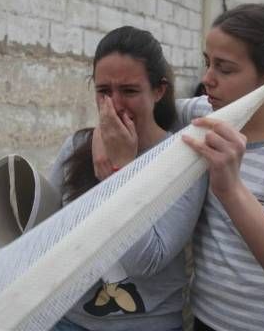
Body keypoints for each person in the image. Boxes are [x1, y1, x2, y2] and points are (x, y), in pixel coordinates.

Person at [94, 3, 264, 330]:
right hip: (208, 321)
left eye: (225, 69)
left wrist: (232, 190)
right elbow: (137, 110)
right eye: (207, 63)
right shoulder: (204, 117)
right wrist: (101, 130)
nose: (207, 79)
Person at [49, 26, 207, 331]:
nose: (115, 104)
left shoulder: (184, 158)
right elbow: (44, 230)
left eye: (130, 91)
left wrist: (120, 171)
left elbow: (146, 262)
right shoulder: (76, 146)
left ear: (158, 91)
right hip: (69, 320)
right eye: (104, 91)